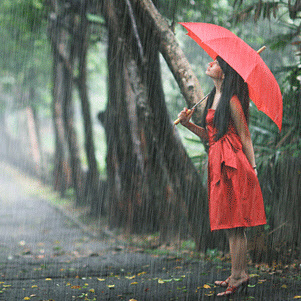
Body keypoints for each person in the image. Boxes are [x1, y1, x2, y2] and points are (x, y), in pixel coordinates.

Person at [177, 56, 267, 297]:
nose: (209, 65)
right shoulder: (212, 98)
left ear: (224, 73)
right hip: (218, 162)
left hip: (234, 164)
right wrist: (187, 124)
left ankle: (240, 275)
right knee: (229, 222)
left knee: (237, 223)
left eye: (215, 63)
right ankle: (236, 272)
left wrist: (253, 168)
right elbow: (210, 136)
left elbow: (245, 137)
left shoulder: (233, 101)